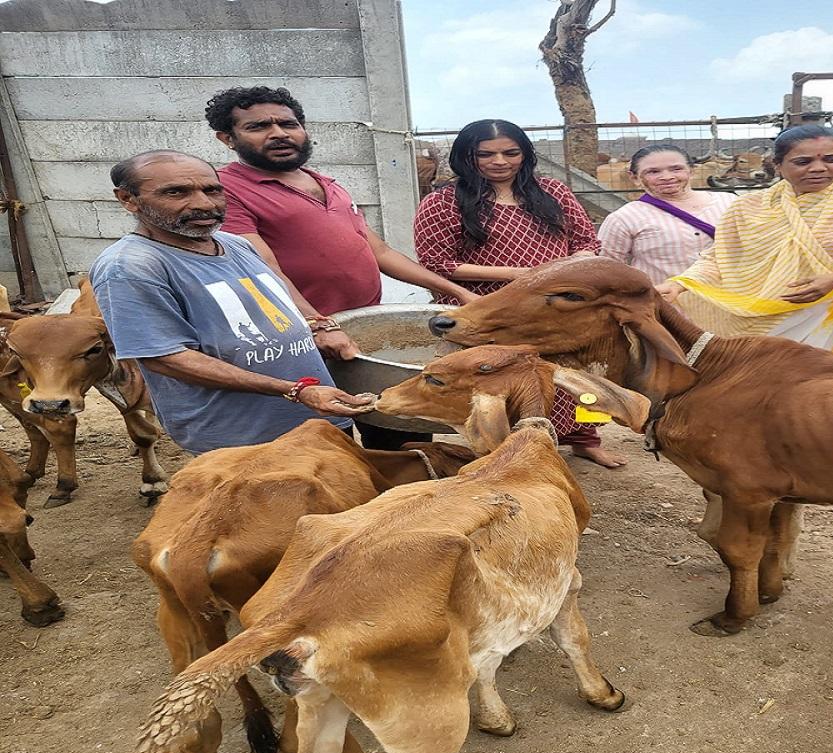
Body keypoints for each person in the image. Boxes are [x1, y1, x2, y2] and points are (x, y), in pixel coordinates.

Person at [206, 85, 475, 450]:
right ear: (227, 138)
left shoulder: (327, 183)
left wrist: (456, 292)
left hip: (362, 329)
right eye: (258, 127)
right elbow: (260, 266)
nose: (279, 134)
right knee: (329, 435)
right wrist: (319, 323)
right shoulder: (227, 189)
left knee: (399, 425)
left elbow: (379, 251)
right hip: (300, 339)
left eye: (288, 123)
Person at [88, 150, 374, 455]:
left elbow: (277, 306)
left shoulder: (236, 245)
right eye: (176, 192)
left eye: (212, 190)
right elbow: (165, 358)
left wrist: (321, 325)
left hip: (319, 415)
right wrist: (293, 389)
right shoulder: (131, 267)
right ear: (128, 200)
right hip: (245, 439)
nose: (204, 204)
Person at [413, 118, 625, 468]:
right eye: (487, 154)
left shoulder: (553, 192)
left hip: (557, 308)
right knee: (506, 381)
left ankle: (586, 438)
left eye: (511, 152)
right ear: (467, 156)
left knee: (584, 377)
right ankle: (509, 448)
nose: (500, 161)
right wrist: (519, 276)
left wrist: (574, 267)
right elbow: (437, 262)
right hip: (487, 308)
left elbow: (587, 241)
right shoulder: (443, 202)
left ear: (525, 154)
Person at [659, 125, 833, 357]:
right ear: (778, 165)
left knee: (828, 390)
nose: (819, 168)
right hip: (759, 316)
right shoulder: (748, 207)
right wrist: (680, 285)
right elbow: (718, 259)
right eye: (803, 161)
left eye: (831, 159)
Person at [598, 144, 736, 283]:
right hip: (666, 302)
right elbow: (607, 267)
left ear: (691, 171)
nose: (667, 177)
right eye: (653, 172)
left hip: (731, 300)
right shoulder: (624, 218)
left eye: (676, 169)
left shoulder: (729, 202)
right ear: (634, 178)